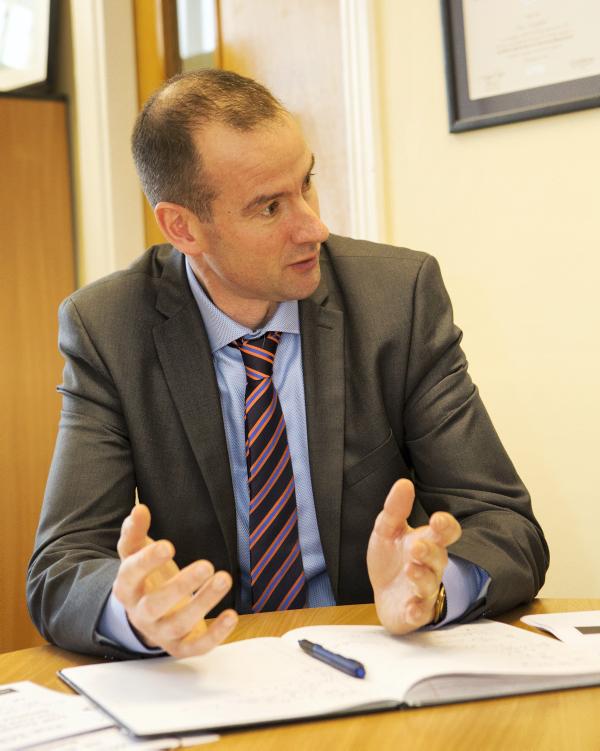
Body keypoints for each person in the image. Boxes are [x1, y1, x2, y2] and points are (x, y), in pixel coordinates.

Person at [27, 69, 548, 659]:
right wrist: (135, 613)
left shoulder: (396, 299)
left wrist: (436, 587)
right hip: (211, 668)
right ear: (182, 227)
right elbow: (60, 568)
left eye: (307, 184)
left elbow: (505, 524)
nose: (314, 227)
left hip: (375, 656)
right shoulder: (109, 328)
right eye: (271, 207)